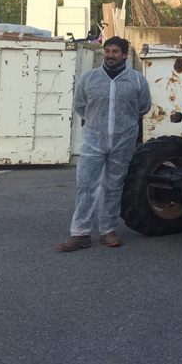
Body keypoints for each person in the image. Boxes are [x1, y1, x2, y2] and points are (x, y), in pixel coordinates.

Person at [58, 37, 152, 252]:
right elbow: (80, 105)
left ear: (125, 55)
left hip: (123, 141)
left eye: (115, 52)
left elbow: (143, 107)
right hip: (94, 140)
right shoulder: (89, 79)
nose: (110, 55)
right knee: (86, 186)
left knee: (114, 186)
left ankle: (108, 230)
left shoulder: (137, 81)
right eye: (107, 51)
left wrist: (123, 126)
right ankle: (80, 233)